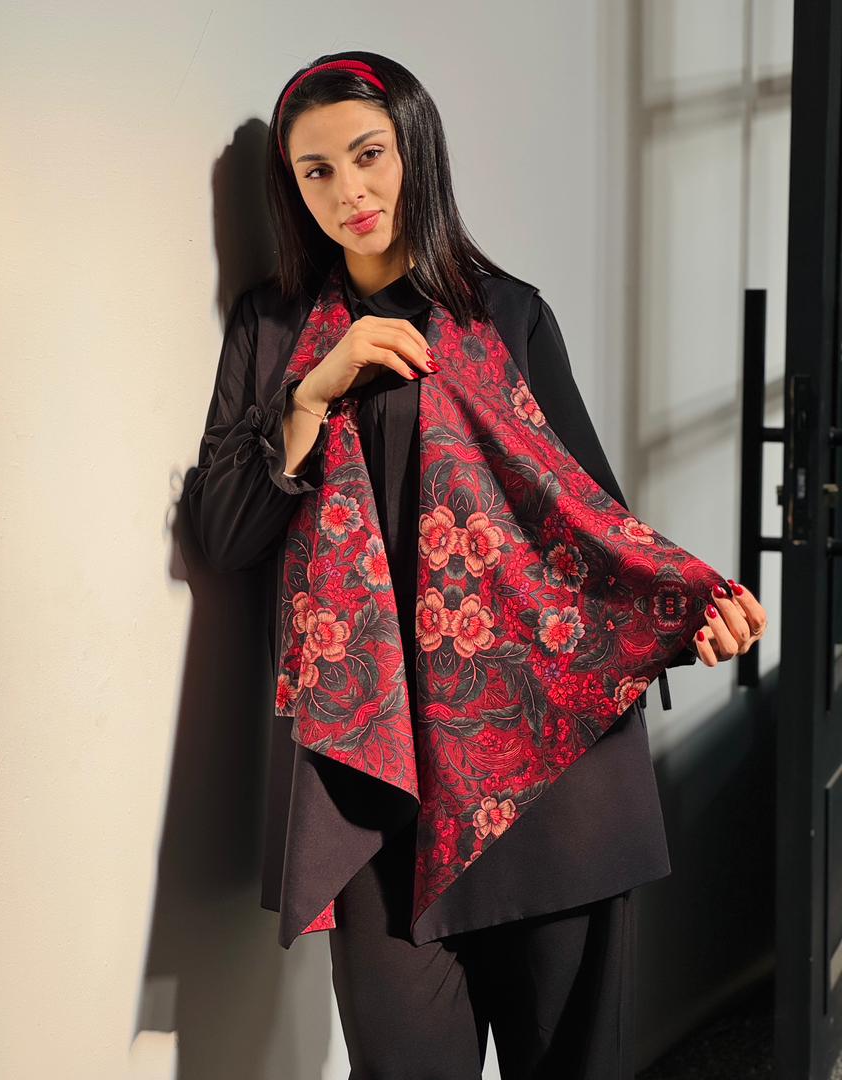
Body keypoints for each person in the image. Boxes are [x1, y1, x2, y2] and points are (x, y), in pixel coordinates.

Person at [187, 51, 768, 1080]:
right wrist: (312, 394)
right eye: (316, 170)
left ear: (415, 148)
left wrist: (693, 612)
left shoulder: (507, 314)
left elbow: (592, 530)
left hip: (549, 781)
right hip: (377, 786)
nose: (348, 190)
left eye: (369, 154)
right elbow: (223, 536)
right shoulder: (274, 332)